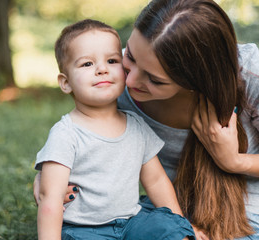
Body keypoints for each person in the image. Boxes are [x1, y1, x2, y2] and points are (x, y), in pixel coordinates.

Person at [34, 0, 259, 239]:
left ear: (195, 81)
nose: (129, 82)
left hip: (246, 211)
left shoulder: (251, 75)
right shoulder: (110, 74)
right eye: (129, 56)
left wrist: (234, 161)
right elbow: (84, 133)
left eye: (155, 79)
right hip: (164, 208)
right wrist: (50, 178)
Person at [35, 19, 195, 240]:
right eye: (87, 64)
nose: (101, 69)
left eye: (111, 60)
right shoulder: (66, 134)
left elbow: (156, 180)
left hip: (131, 222)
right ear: (66, 82)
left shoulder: (136, 125)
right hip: (83, 229)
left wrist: (179, 222)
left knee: (169, 230)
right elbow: (50, 198)